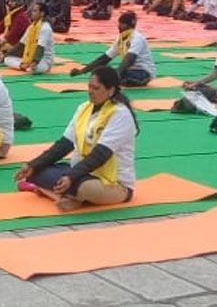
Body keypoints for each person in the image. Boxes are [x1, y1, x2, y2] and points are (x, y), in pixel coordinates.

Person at [14, 67, 138, 212]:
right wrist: (33, 165)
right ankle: (68, 196)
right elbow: (64, 144)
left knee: (84, 188)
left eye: (96, 88)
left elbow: (100, 154)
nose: (90, 91)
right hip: (81, 173)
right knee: (37, 171)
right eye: (89, 87)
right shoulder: (84, 108)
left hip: (113, 184)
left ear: (111, 90)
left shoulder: (120, 115)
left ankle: (62, 194)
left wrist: (70, 177)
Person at [71, 11, 156, 87]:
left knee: (113, 77)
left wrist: (116, 74)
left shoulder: (137, 38)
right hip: (128, 71)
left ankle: (118, 80)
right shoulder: (121, 39)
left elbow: (129, 59)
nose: (119, 26)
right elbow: (105, 58)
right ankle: (117, 80)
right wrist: (82, 71)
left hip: (142, 72)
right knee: (101, 70)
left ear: (128, 25)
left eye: (122, 24)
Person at [3, 1, 56, 74]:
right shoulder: (31, 27)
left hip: (43, 60)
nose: (32, 13)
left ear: (42, 13)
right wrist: (7, 55)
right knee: (7, 59)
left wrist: (34, 62)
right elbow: (21, 44)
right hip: (29, 58)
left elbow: (40, 48)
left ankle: (27, 66)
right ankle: (22, 66)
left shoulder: (45, 28)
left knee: (34, 68)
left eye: (35, 11)